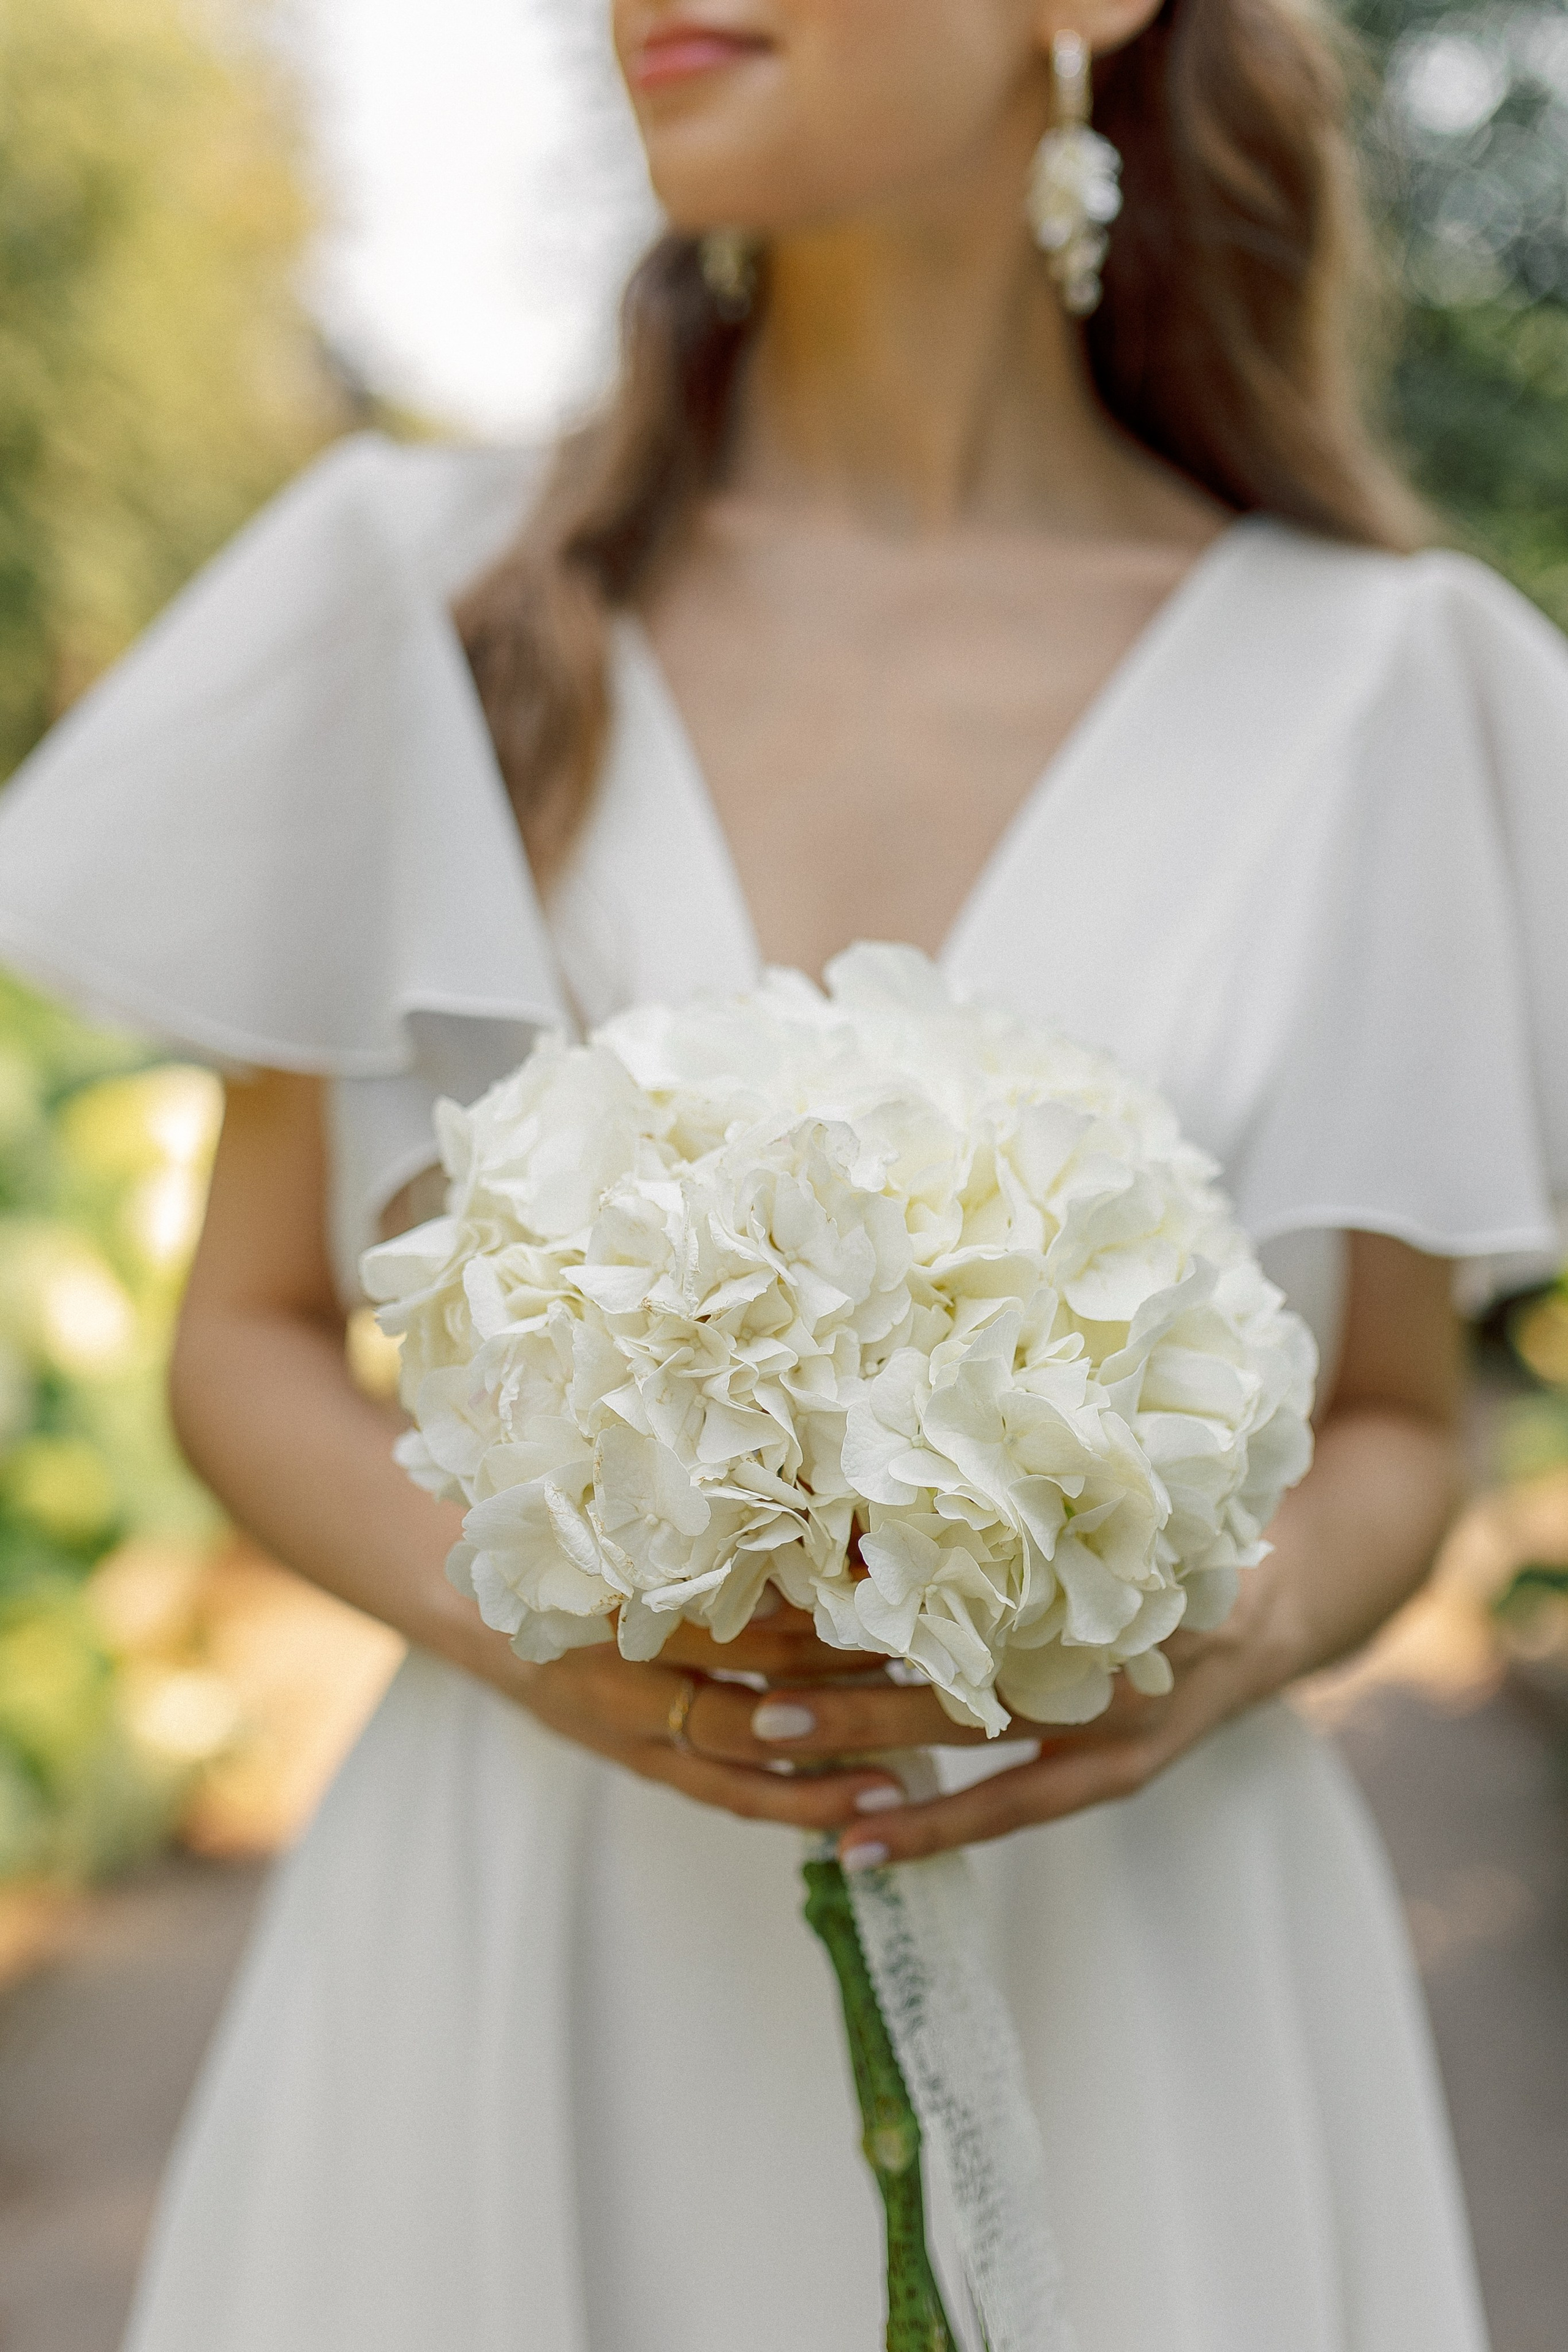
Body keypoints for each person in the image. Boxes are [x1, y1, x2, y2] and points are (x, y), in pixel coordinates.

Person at [1, 2, 1565, 2345]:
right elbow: (243, 1339)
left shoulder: (1385, 679)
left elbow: (1398, 1433)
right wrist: (524, 1625)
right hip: (524, 1950)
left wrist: (1206, 1649)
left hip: (1143, 1949)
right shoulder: (416, 587)